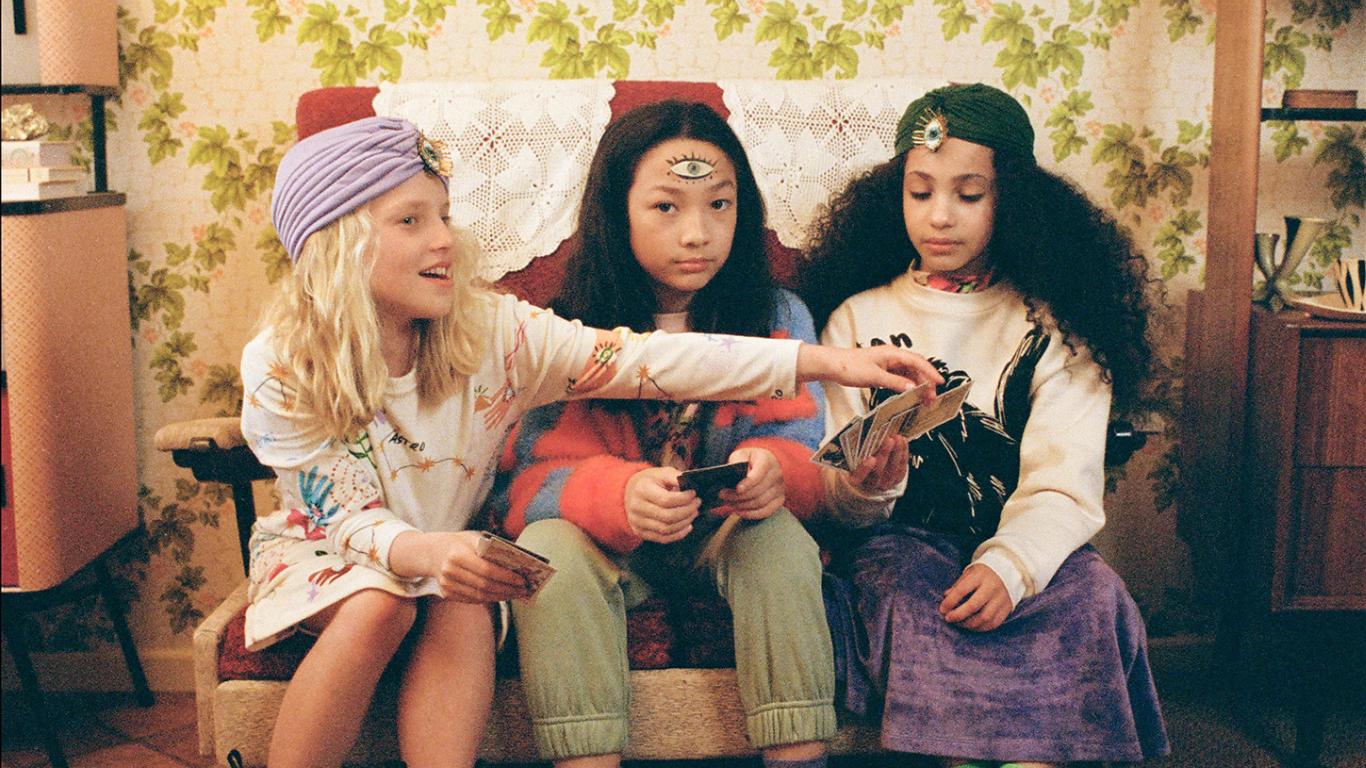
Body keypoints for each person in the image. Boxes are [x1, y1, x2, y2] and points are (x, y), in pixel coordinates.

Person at [240, 115, 940, 768]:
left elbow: (646, 361)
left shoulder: (495, 331)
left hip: (450, 556)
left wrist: (828, 362)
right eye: (410, 220)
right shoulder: (284, 362)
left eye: (444, 216)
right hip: (335, 552)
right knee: (382, 602)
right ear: (336, 244)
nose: (445, 238)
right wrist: (434, 552)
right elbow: (345, 517)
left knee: (465, 602)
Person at [799, 83, 1170, 768]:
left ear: (1014, 201)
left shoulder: (1059, 328)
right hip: (900, 546)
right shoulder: (854, 320)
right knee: (907, 598)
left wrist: (1010, 566)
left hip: (1025, 543)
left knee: (1095, 596)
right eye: (920, 192)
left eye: (968, 195)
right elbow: (833, 490)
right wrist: (864, 488)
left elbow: (1064, 482)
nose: (939, 216)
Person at [484, 100, 855, 768]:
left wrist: (773, 470)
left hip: (726, 538)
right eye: (665, 207)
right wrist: (617, 494)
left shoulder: (778, 316)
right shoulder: (565, 328)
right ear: (616, 211)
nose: (697, 233)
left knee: (778, 539)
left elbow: (807, 451)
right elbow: (522, 489)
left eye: (720, 205)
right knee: (546, 549)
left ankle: (799, 755)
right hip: (610, 551)